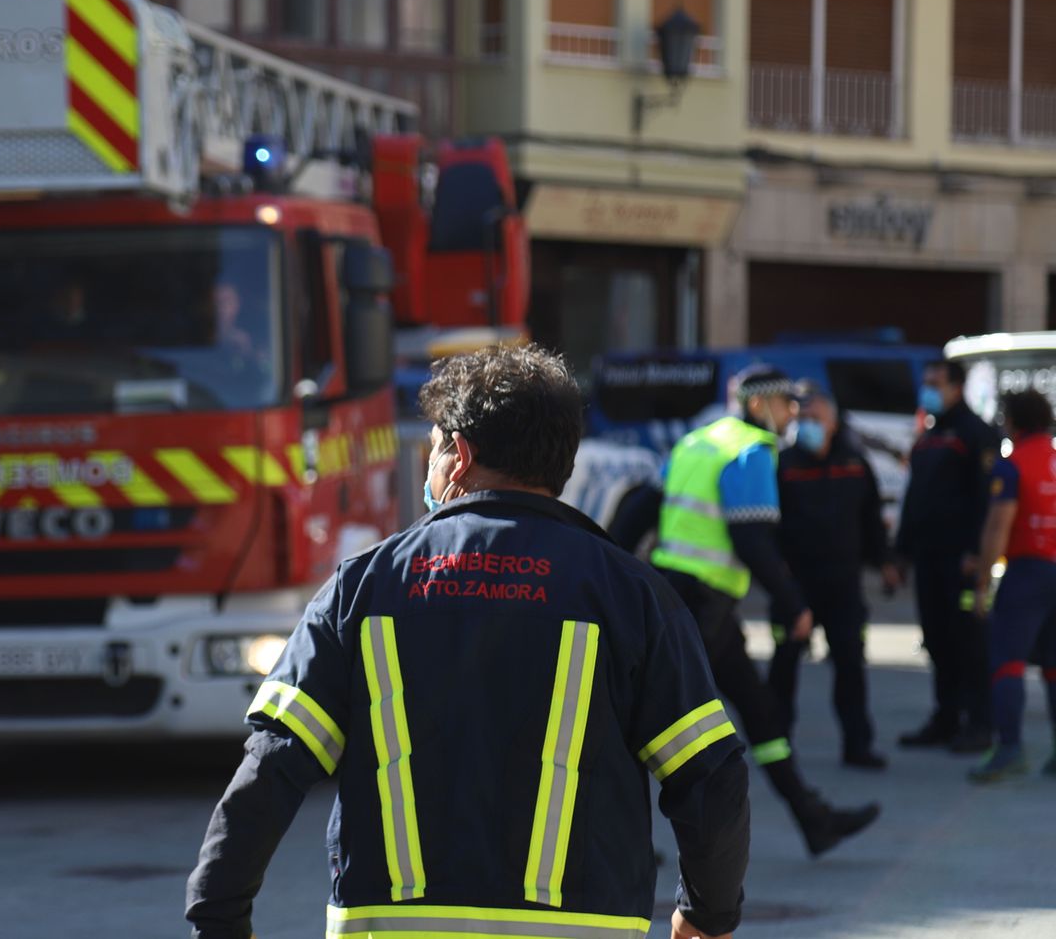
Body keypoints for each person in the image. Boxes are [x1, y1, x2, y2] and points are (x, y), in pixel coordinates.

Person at [188, 344, 750, 939]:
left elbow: (274, 764)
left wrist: (217, 914)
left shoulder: (364, 586)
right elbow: (709, 773)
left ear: (459, 456)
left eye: (433, 447)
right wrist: (707, 914)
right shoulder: (632, 594)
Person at [652, 363, 879, 856]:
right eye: (783, 405)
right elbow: (751, 537)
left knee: (759, 712)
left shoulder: (698, 441)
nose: (790, 415)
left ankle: (813, 819)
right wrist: (792, 601)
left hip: (685, 600)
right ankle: (617, 835)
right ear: (759, 404)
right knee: (652, 723)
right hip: (701, 605)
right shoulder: (753, 451)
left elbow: (646, 505)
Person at [768, 383, 897, 770]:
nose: (807, 425)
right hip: (795, 585)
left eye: (815, 418)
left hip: (843, 585)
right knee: (783, 667)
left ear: (833, 422)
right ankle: (776, 748)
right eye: (802, 418)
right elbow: (767, 527)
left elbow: (871, 521)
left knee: (850, 666)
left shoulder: (854, 463)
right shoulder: (783, 465)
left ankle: (858, 746)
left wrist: (886, 563)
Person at [894, 359, 998, 754]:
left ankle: (980, 722)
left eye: (935, 383)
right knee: (936, 637)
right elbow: (915, 496)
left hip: (961, 559)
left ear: (957, 386)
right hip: (928, 556)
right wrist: (899, 554)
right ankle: (947, 716)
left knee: (968, 640)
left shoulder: (975, 433)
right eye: (926, 383)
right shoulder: (929, 436)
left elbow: (989, 501)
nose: (928, 390)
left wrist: (977, 552)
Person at [966, 389, 1056, 783]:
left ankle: (1009, 748)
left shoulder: (1013, 465)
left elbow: (997, 528)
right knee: (1054, 666)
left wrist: (982, 582)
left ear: (1014, 422)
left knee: (1008, 660)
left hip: (1028, 572)